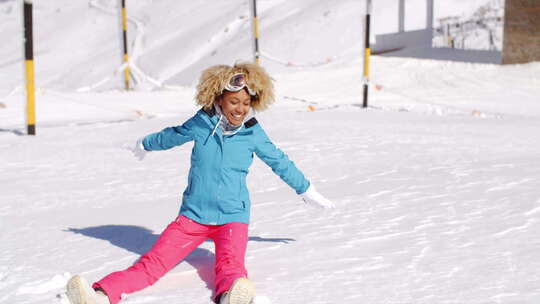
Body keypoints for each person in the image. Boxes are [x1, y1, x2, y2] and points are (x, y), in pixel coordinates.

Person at [65, 62, 335, 304]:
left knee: (231, 267)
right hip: (192, 217)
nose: (240, 109)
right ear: (219, 98)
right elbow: (173, 135)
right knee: (152, 264)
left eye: (245, 102)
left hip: (233, 217)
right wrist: (146, 143)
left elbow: (280, 162)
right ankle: (100, 296)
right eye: (233, 102)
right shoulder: (202, 122)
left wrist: (306, 189)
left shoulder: (253, 132)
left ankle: (232, 297)